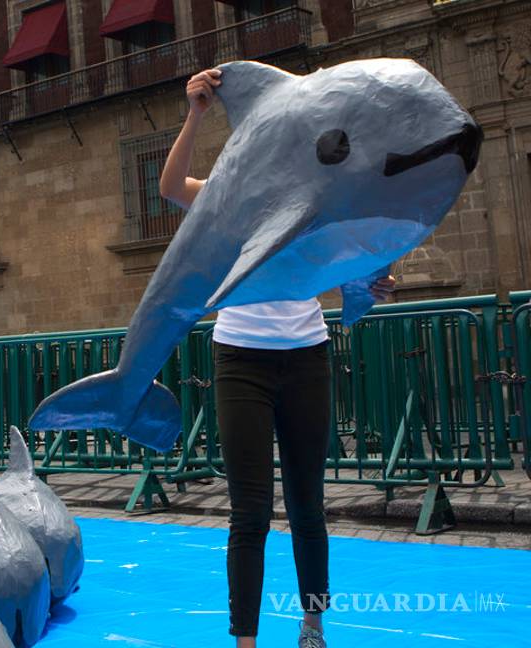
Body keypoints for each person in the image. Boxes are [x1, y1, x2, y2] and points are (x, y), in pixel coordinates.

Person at [158, 68, 396, 648]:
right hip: (240, 357)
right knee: (250, 511)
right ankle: (245, 639)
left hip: (307, 353)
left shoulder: (317, 200)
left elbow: (354, 265)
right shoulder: (225, 193)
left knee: (309, 504)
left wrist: (377, 283)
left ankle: (312, 625)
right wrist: (195, 112)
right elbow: (168, 187)